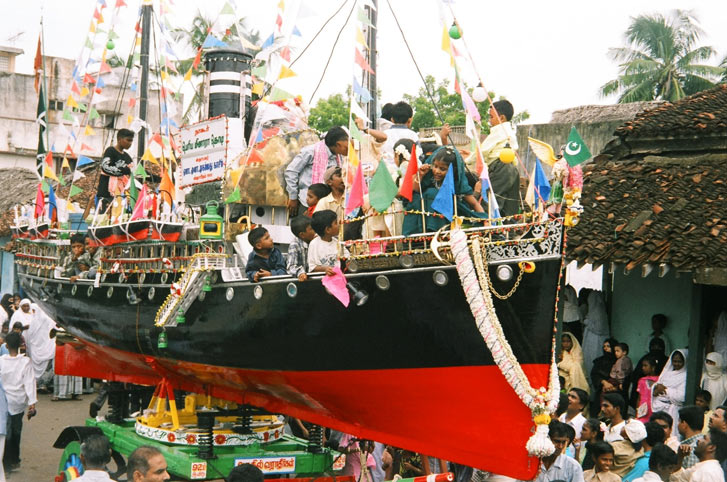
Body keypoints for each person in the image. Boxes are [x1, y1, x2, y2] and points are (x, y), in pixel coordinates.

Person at [402, 146, 485, 235]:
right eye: (435, 166)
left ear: (453, 170)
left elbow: (474, 203)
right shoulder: (429, 178)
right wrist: (421, 175)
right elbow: (416, 191)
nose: (437, 171)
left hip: (448, 221)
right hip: (424, 221)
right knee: (426, 194)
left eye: (442, 169)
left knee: (432, 193)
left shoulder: (457, 184)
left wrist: (485, 220)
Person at [285, 126, 347, 217]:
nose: (348, 149)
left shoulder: (339, 156)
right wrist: (293, 197)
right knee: (307, 230)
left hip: (329, 204)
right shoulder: (310, 152)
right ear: (338, 145)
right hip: (308, 204)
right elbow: (291, 171)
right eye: (346, 146)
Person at [0, 332, 36, 472]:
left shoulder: (1, 361)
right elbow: (29, 383)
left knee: (6, 431)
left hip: (4, 401)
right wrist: (32, 403)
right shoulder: (25, 362)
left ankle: (6, 463)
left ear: (6, 345)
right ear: (21, 345)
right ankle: (14, 460)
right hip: (19, 402)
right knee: (16, 430)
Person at [479, 100, 520, 217]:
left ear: (501, 118)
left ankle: (491, 230)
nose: (489, 120)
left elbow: (483, 150)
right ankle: (509, 230)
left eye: (491, 117)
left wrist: (467, 160)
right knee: (510, 203)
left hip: (500, 167)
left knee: (493, 200)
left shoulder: (499, 130)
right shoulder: (510, 131)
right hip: (512, 168)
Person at [651, 349, 687, 436]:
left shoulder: (685, 376)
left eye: (679, 362)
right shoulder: (666, 373)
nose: (676, 364)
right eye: (674, 361)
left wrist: (665, 390)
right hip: (659, 408)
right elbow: (657, 385)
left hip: (673, 410)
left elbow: (681, 396)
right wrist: (655, 389)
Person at [97, 128, 134, 211]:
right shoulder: (110, 151)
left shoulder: (127, 156)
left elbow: (134, 170)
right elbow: (105, 167)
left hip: (120, 194)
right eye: (128, 140)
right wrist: (124, 170)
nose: (130, 143)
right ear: (119, 139)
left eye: (131, 141)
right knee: (104, 220)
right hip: (106, 194)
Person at [24, 303, 55, 394]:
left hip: (45, 348)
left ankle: (43, 384)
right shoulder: (37, 321)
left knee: (47, 367)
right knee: (45, 367)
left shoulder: (45, 320)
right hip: (41, 349)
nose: (32, 313)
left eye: (34, 311)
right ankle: (41, 385)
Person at [583, 292, 611, 388]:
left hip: (596, 342)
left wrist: (587, 322)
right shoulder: (593, 311)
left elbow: (599, 328)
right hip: (591, 341)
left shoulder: (599, 312)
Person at [381, 101, 419, 171]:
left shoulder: (384, 134)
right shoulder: (413, 135)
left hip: (386, 173)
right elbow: (418, 156)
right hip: (407, 173)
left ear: (392, 119)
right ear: (410, 120)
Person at [308, 210, 348, 275]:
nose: (338, 225)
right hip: (322, 280)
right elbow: (312, 267)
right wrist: (325, 269)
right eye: (335, 223)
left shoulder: (337, 242)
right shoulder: (314, 244)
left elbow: (347, 257)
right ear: (328, 230)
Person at [591, 338, 619, 417]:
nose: (605, 348)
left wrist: (613, 386)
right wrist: (603, 382)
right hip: (600, 391)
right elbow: (594, 374)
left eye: (608, 346)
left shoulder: (619, 361)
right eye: (604, 346)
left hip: (615, 392)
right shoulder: (599, 361)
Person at [287, 216, 316, 282]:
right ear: (302, 235)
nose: (315, 231)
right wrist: (300, 272)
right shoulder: (294, 245)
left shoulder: (316, 241)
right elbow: (291, 267)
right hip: (302, 281)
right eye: (311, 229)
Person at [635, 356, 660, 422]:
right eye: (642, 366)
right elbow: (639, 398)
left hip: (654, 409)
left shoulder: (659, 381)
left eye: (645, 366)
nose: (643, 368)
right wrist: (637, 411)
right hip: (643, 411)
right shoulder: (642, 380)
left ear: (653, 367)